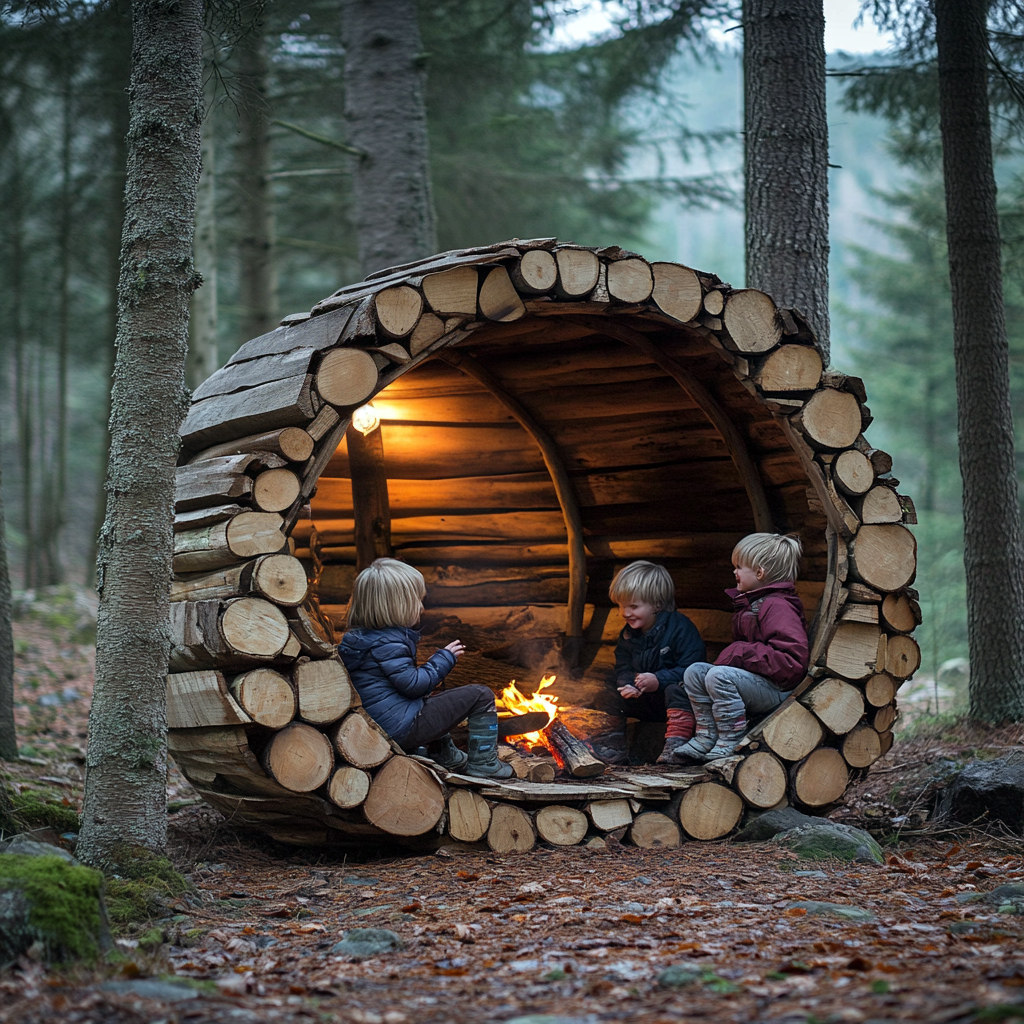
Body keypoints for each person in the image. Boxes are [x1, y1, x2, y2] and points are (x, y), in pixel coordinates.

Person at [337, 558, 513, 779]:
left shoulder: (361, 639)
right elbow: (414, 686)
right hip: (401, 728)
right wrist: (443, 659)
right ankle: (484, 763)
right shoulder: (388, 643)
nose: (421, 607)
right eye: (417, 601)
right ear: (396, 606)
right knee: (480, 695)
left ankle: (445, 754)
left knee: (436, 700)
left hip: (383, 724)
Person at [673, 533, 809, 762]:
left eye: (739, 567)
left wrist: (741, 652)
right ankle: (706, 736)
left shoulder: (777, 607)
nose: (734, 572)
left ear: (759, 572)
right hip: (757, 682)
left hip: (777, 689)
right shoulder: (752, 604)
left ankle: (730, 738)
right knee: (694, 672)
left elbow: (792, 663)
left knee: (719, 675)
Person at [595, 560, 705, 765]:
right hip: (645, 700)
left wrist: (658, 680)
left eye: (633, 606)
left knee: (678, 690)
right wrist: (628, 684)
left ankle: (676, 748)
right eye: (621, 606)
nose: (624, 613)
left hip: (674, 702)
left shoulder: (681, 628)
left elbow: (694, 670)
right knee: (606, 693)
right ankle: (612, 748)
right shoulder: (628, 634)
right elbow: (623, 668)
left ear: (657, 604)